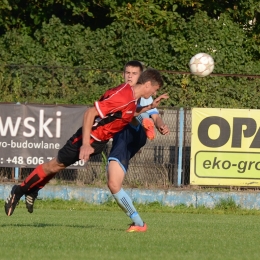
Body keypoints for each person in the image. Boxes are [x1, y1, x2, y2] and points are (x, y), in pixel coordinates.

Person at [5, 67, 168, 217]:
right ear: (148, 84)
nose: (155, 91)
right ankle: (18, 190)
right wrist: (85, 144)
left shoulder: (131, 96)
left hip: (98, 142)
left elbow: (125, 113)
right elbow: (90, 113)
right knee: (54, 165)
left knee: (59, 166)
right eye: (155, 88)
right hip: (89, 138)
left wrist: (148, 108)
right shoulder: (124, 96)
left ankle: (33, 189)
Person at [107, 61, 170, 232]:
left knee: (132, 112)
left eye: (134, 73)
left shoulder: (146, 95)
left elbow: (156, 116)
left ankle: (144, 123)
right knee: (113, 184)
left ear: (141, 77)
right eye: (127, 72)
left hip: (137, 132)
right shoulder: (118, 93)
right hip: (122, 140)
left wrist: (160, 125)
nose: (129, 76)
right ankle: (139, 223)